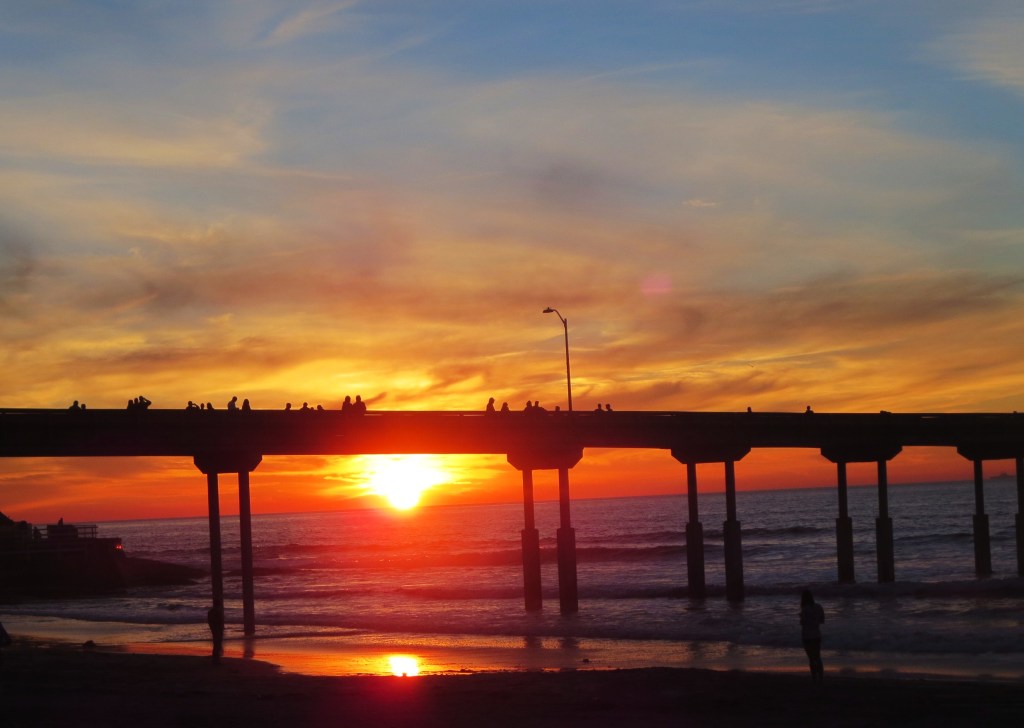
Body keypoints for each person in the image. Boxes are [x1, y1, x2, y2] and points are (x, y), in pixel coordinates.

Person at [800, 589, 825, 682]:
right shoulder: (819, 607)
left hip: (806, 636)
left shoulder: (805, 609)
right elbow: (822, 621)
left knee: (811, 658)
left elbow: (802, 623)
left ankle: (814, 678)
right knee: (818, 657)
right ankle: (821, 677)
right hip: (817, 635)